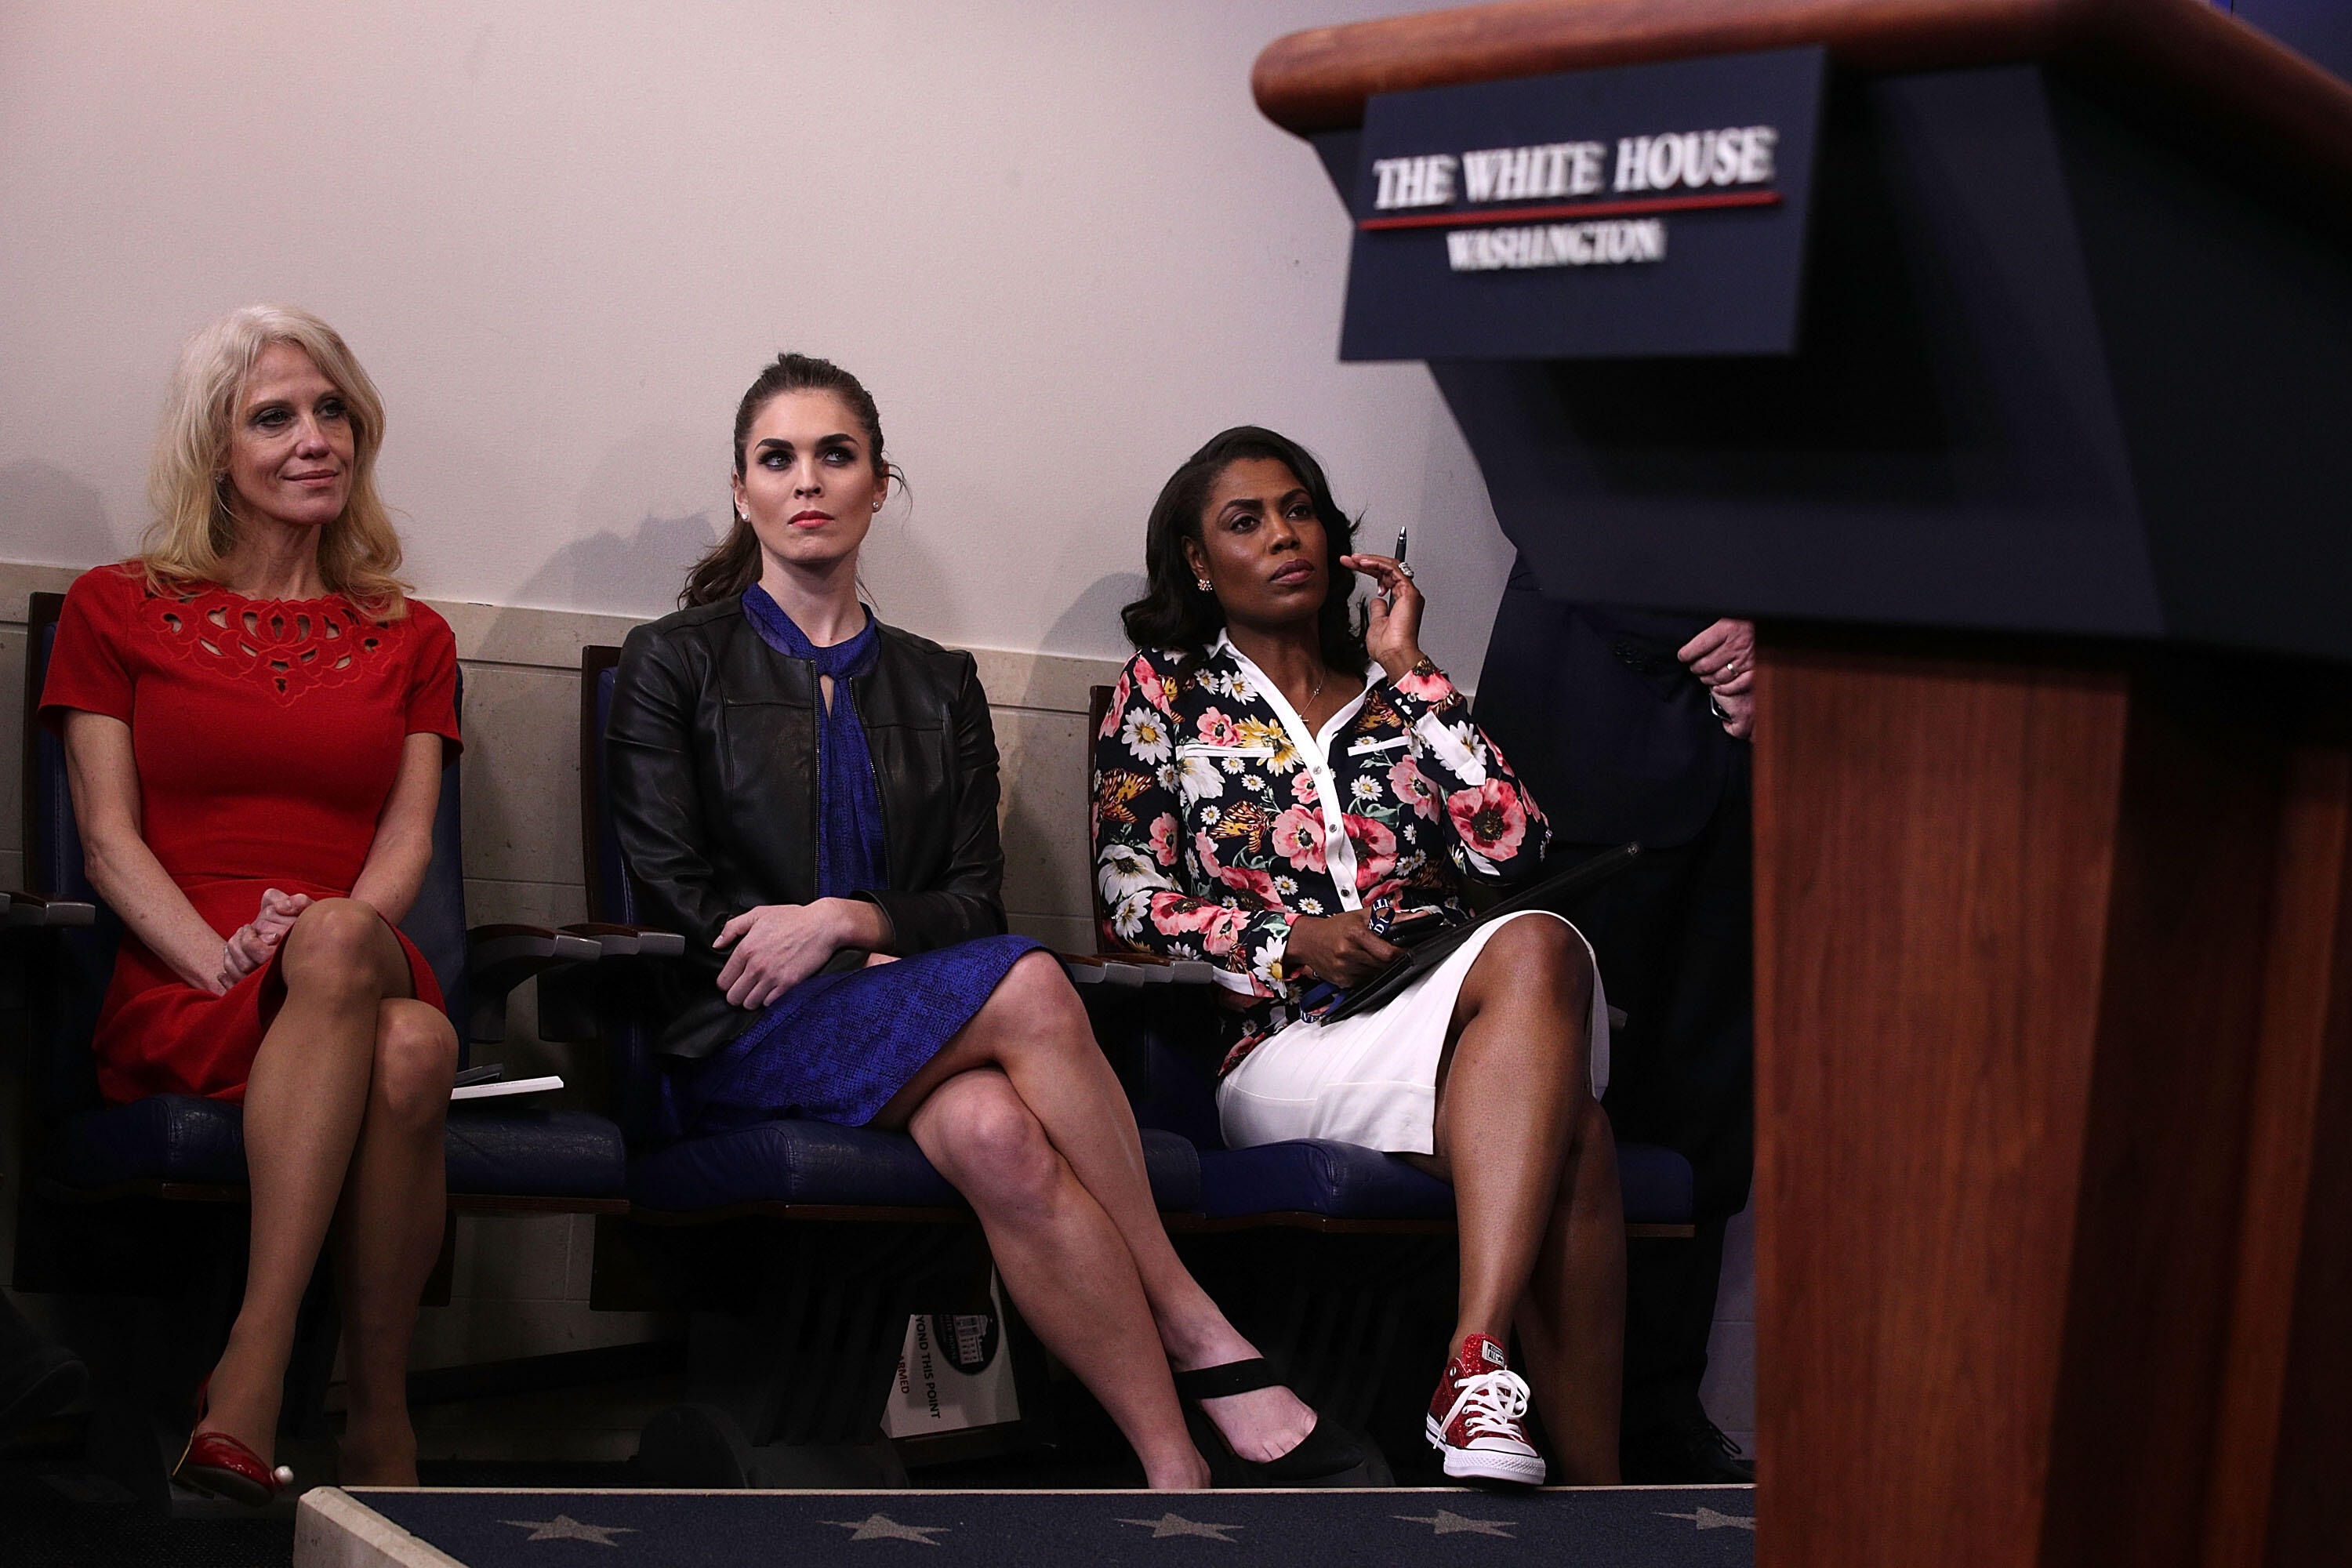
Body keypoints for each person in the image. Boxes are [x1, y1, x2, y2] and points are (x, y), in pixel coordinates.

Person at [605, 354, 1368, 1492]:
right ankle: (1194, 1319)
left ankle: (1174, 1474)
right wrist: (817, 947)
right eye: (779, 459)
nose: (807, 481)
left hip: (906, 1026)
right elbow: (674, 891)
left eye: (836, 455)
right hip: (736, 1035)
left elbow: (973, 899)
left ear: (879, 485)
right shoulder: (673, 662)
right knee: (1024, 982)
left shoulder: (937, 681)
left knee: (1001, 1139)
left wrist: (842, 921)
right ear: (742, 491)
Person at [1093, 426, 1625, 1487]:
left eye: (1300, 511)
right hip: (1282, 1047)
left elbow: (1516, 850)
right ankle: (1578, 1475)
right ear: (1199, 564)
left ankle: (1482, 1376)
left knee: (1536, 939)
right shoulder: (1163, 694)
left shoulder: (1397, 695)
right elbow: (1127, 901)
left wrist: (1413, 670)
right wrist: (1288, 943)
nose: (1284, 535)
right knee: (1579, 1134)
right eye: (1245, 522)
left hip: (1444, 1015)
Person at [38, 306, 462, 1501]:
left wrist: (342, 928)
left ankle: (250, 1375)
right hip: (191, 978)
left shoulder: (410, 632)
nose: (313, 437)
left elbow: (408, 839)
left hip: (350, 945)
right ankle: (379, 1423)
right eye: (273, 416)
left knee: (343, 948)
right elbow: (109, 840)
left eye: (332, 411)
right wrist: (220, 957)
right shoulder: (115, 609)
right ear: (213, 449)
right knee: (416, 1049)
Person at [1473, 562, 1755, 1484]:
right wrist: (1725, 629)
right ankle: (1502, 1401)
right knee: (1558, 1109)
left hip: (1765, 758)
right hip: (1590, 730)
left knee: (1712, 1105)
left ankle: (1664, 1402)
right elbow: (1556, 491)